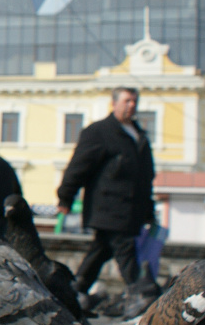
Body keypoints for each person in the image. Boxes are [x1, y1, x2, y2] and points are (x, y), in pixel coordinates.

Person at [56, 87, 155, 297]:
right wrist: (66, 196)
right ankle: (139, 293)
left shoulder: (139, 136)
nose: (132, 105)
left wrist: (149, 210)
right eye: (127, 101)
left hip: (132, 209)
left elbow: (146, 177)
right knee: (124, 248)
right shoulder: (99, 131)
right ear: (114, 103)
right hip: (108, 206)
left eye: (134, 101)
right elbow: (78, 166)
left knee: (101, 250)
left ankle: (75, 291)